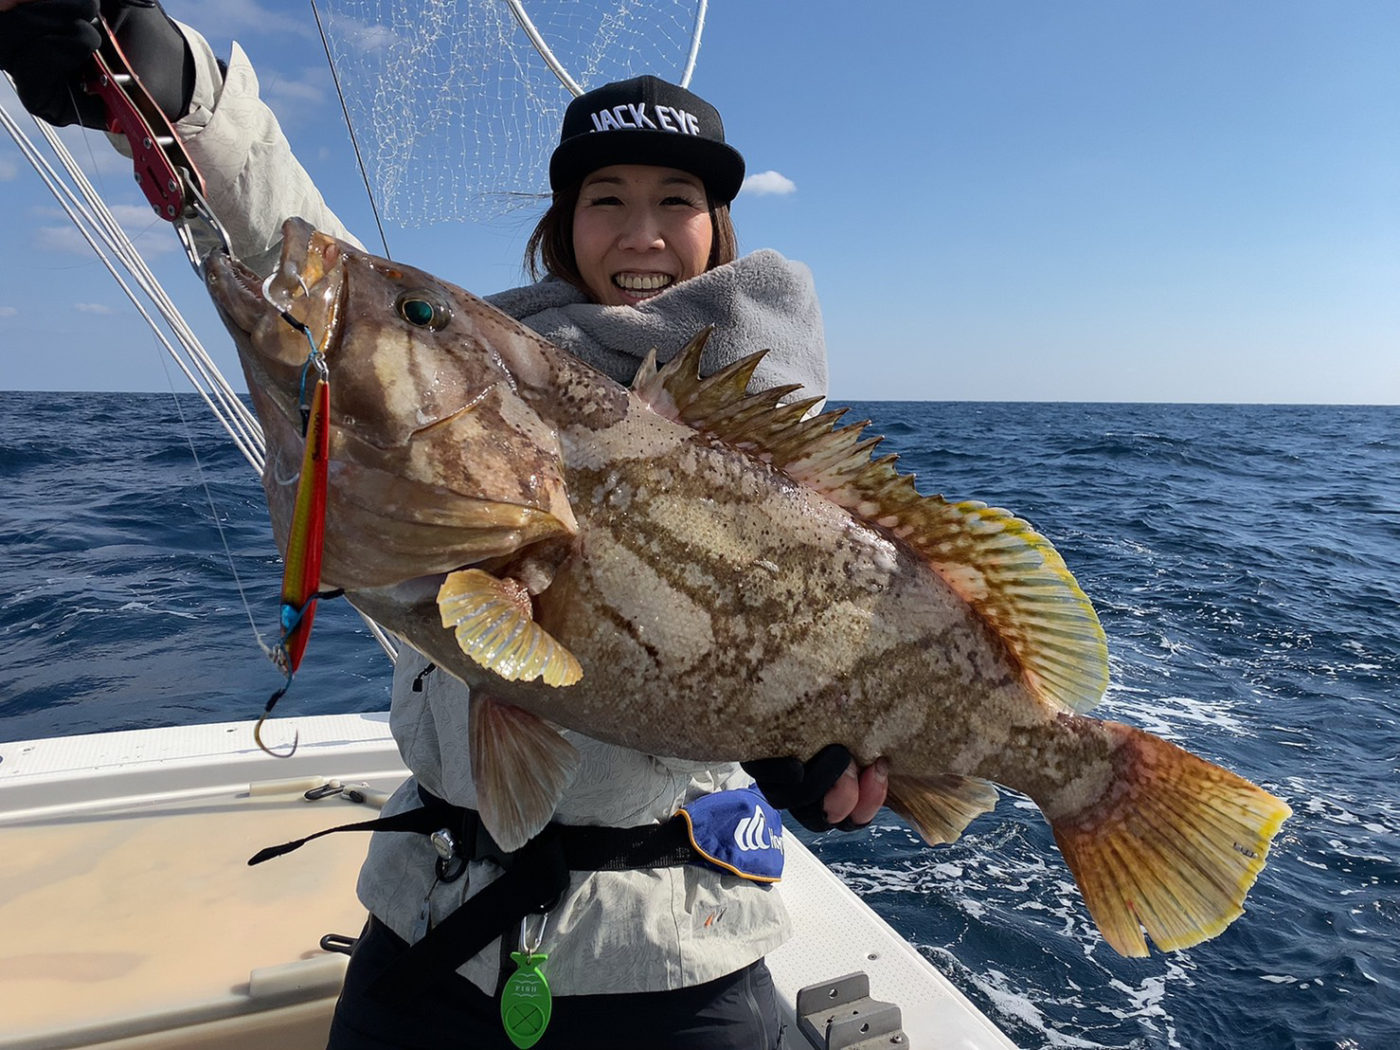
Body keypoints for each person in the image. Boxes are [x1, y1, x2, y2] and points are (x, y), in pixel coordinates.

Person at [0, 2, 890, 1047]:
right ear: (560, 226)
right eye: (604, 198)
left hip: (675, 949)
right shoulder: (492, 369)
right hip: (431, 918)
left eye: (675, 200)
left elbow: (853, 610)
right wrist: (164, 74)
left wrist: (810, 745)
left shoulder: (756, 424)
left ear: (717, 229)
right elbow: (303, 252)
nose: (640, 230)